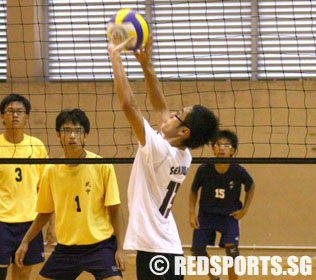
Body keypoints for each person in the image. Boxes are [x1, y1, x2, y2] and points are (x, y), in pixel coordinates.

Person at [108, 34, 219, 280]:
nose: (169, 115)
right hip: (172, 251)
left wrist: (115, 58)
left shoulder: (159, 149)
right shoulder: (182, 153)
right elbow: (160, 108)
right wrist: (147, 66)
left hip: (155, 251)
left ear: (183, 131)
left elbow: (129, 106)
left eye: (177, 114)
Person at [15, 108, 126, 280]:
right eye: (67, 131)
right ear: (59, 135)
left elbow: (115, 210)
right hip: (67, 249)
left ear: (85, 135)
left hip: (100, 246)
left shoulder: (102, 166)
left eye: (78, 131)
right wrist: (25, 241)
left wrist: (120, 248)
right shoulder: (51, 171)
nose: (72, 136)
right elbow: (44, 212)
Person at [0, 94, 54, 280]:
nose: (15, 116)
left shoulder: (36, 146)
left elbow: (46, 189)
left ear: (27, 117)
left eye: (20, 112)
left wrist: (51, 225)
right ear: (2, 116)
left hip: (30, 222)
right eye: (10, 111)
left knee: (23, 273)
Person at [189, 130, 255, 280]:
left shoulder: (238, 170)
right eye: (218, 145)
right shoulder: (204, 169)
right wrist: (192, 214)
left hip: (229, 216)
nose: (222, 148)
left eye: (226, 145)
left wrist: (245, 209)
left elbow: (251, 186)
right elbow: (193, 191)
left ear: (232, 150)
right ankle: (215, 278)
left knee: (231, 250)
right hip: (206, 215)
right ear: (213, 148)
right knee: (198, 250)